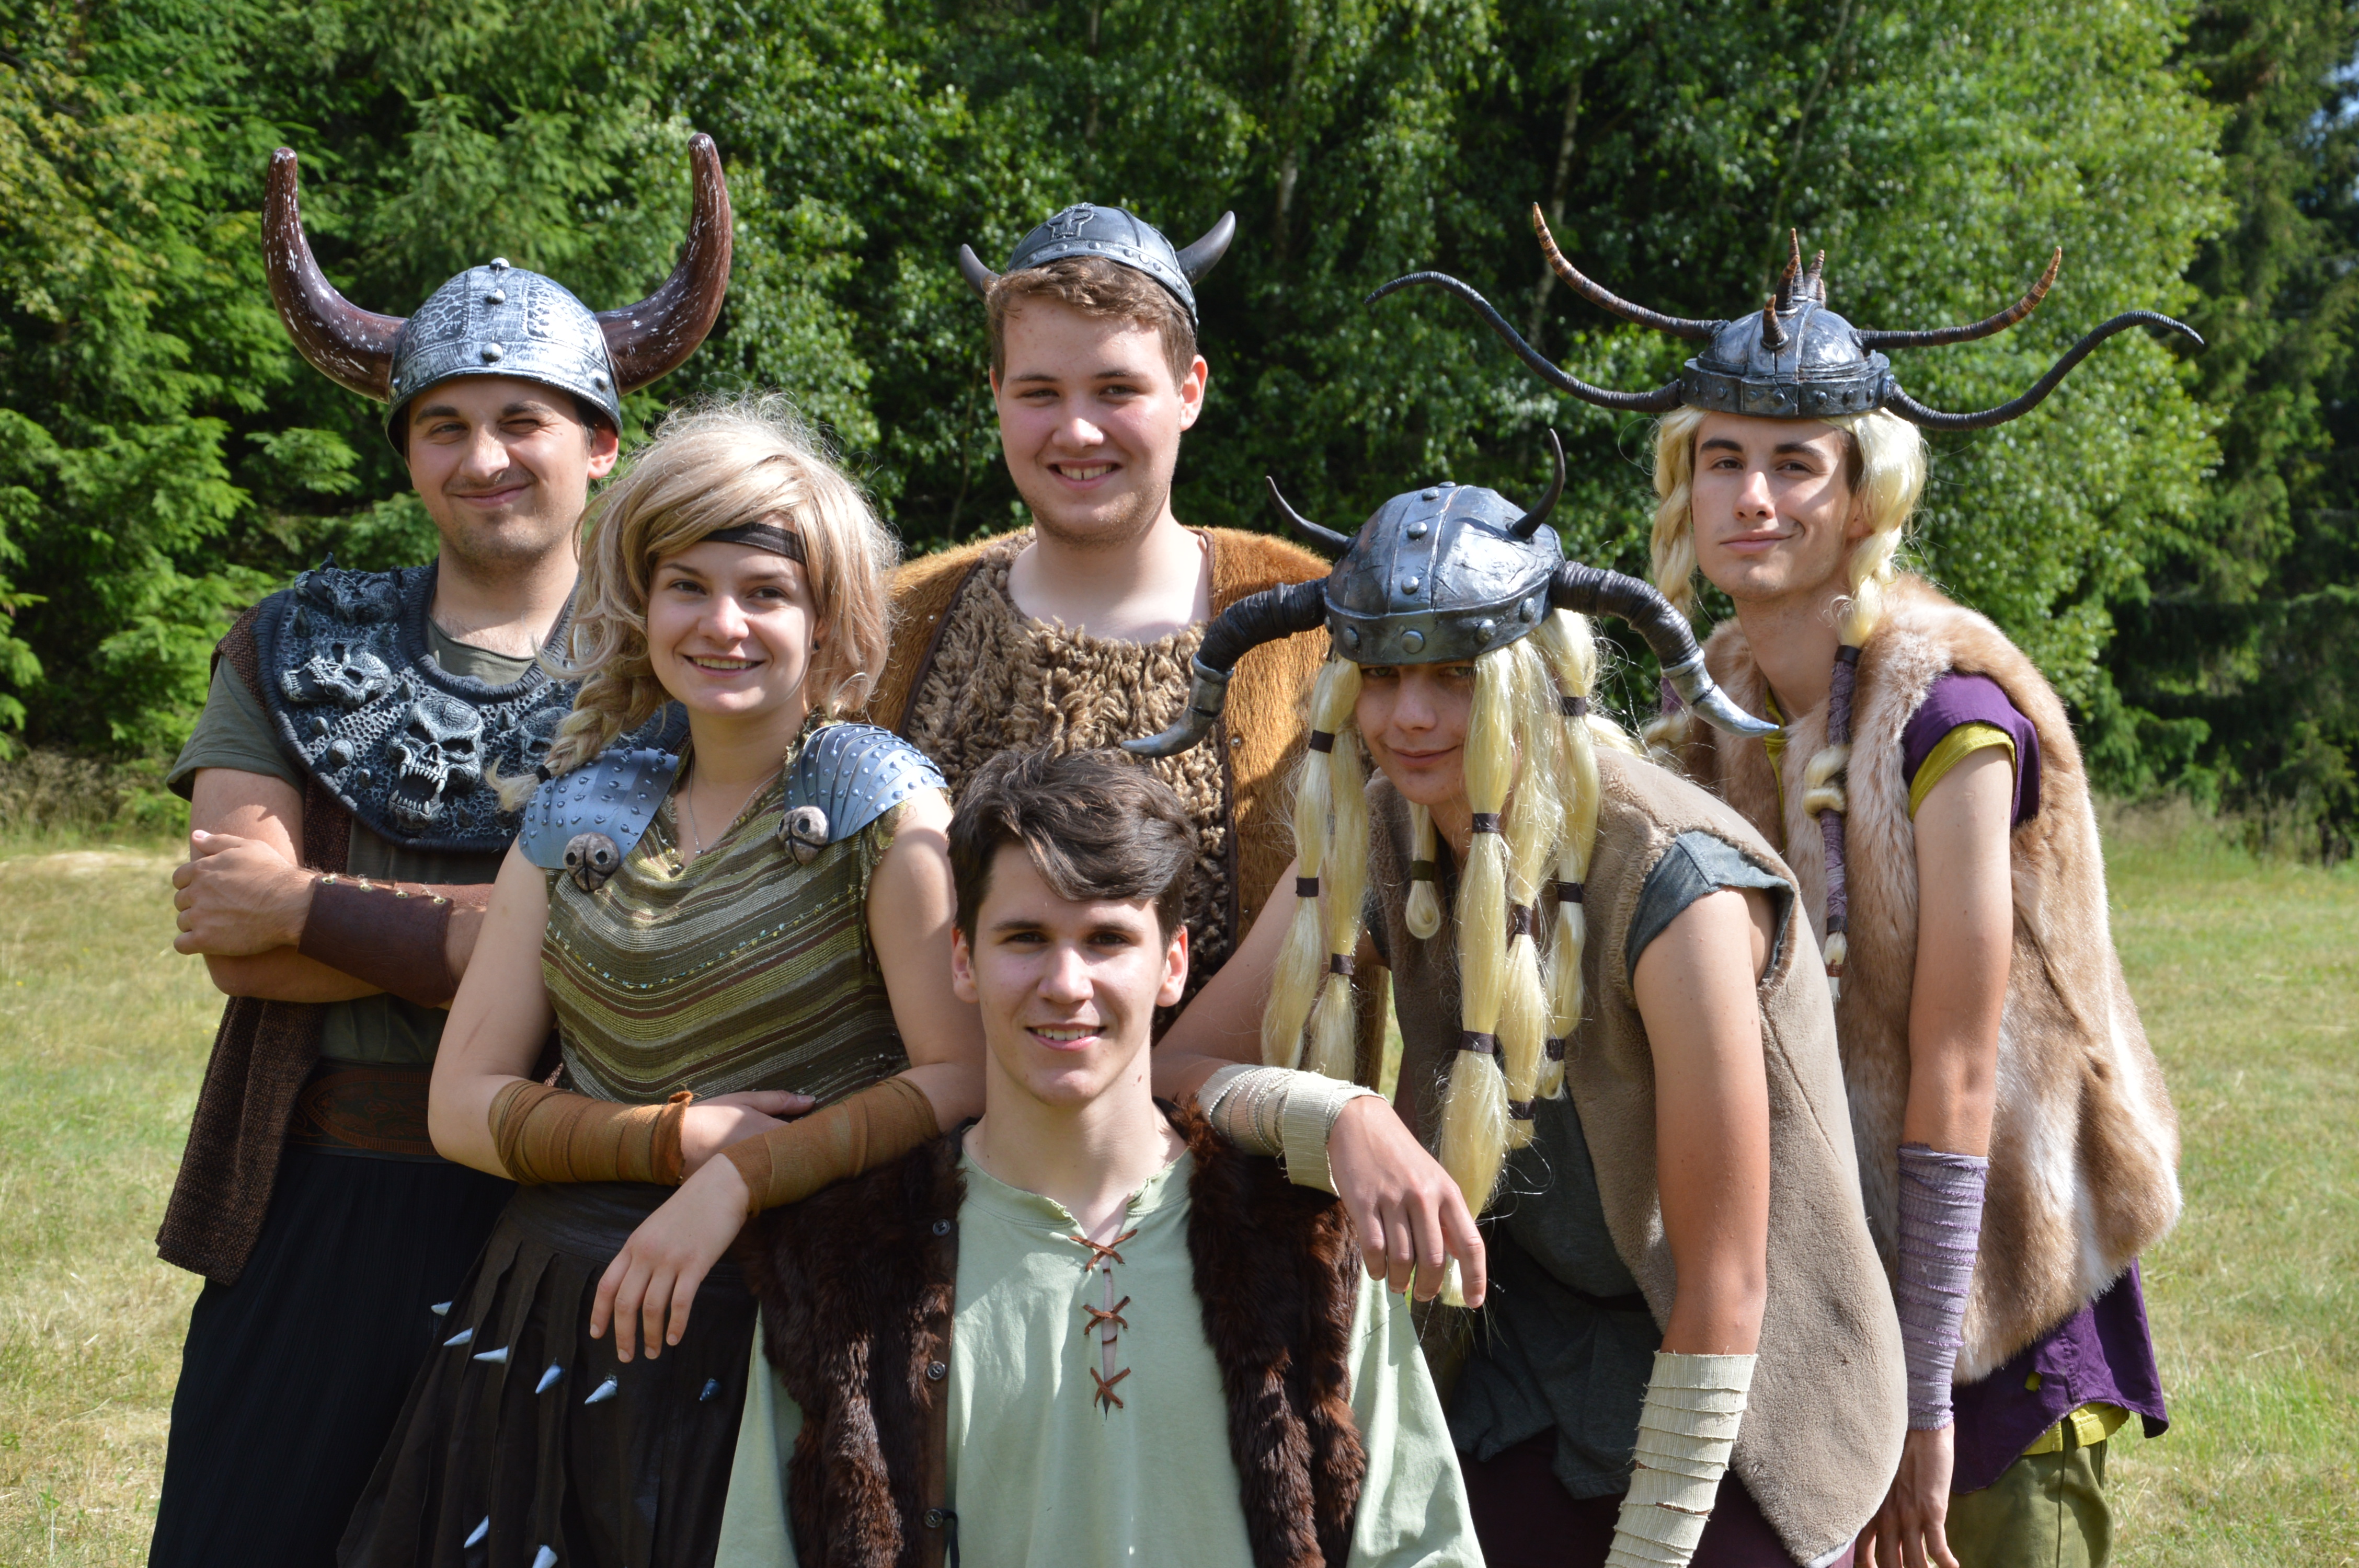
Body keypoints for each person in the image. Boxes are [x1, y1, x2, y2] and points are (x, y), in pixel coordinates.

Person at [1396, 214, 2185, 1567]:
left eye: (1795, 464)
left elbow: (1957, 1076)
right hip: (1823, 1309)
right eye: (1724, 461)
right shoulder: (1711, 713)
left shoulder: (1953, 720)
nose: (1754, 498)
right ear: (1684, 485)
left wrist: (1923, 1403)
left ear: (1863, 495)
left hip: (1988, 1305)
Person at [1121, 452, 1907, 1568]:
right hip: (1515, 1360)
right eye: (1383, 676)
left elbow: (1726, 1286)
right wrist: (1341, 1119)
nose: (1412, 715)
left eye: (1455, 675)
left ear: (1531, 673)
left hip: (1748, 1393)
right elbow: (1170, 1069)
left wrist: (1651, 1552)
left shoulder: (1673, 880)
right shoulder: (1379, 828)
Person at [151, 137, 730, 1567]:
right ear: (406, 449)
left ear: (601, 445)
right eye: (445, 425)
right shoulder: (291, 642)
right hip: (324, 1200)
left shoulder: (689, 664)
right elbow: (236, 939)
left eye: (524, 419)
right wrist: (526, 935)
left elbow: (660, 952)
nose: (484, 459)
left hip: (584, 1204)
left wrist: (312, 904)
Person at [336, 398, 984, 1568]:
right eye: (688, 586)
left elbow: (960, 1074)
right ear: (643, 601)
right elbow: (461, 1108)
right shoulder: (573, 812)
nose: (723, 624)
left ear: (830, 619)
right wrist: (669, 1141)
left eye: (766, 592)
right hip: (563, 1311)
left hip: (810, 1316)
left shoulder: (883, 806)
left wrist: (743, 1176)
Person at [875, 203, 1492, 1308]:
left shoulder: (1316, 629)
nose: (1078, 430)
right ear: (994, 395)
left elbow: (1409, 887)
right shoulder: (892, 629)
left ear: (1191, 390)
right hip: (945, 1245)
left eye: (1116, 389)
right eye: (1039, 392)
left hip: (1258, 1241)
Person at [717, 746, 1481, 1568]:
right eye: (1026, 938)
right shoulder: (840, 1266)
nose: (1066, 982)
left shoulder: (1310, 1243)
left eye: (1108, 939)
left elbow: (1421, 1551)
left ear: (1173, 964)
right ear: (964, 960)